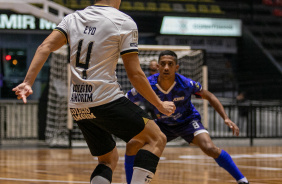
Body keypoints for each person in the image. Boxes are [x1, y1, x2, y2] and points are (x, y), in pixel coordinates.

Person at [12, 1, 176, 184]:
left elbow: (45, 47)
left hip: (78, 105)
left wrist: (27, 82)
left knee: (108, 159)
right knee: (157, 138)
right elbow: (135, 74)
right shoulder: (123, 21)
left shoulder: (72, 18)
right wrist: (159, 104)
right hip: (106, 99)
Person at [124, 50, 250, 184]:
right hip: (163, 124)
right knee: (132, 144)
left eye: (170, 64)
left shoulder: (185, 84)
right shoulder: (147, 84)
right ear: (158, 67)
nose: (166, 67)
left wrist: (226, 117)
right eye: (163, 64)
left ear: (176, 67)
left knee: (210, 148)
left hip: (188, 122)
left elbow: (210, 96)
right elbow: (126, 99)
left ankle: (242, 180)